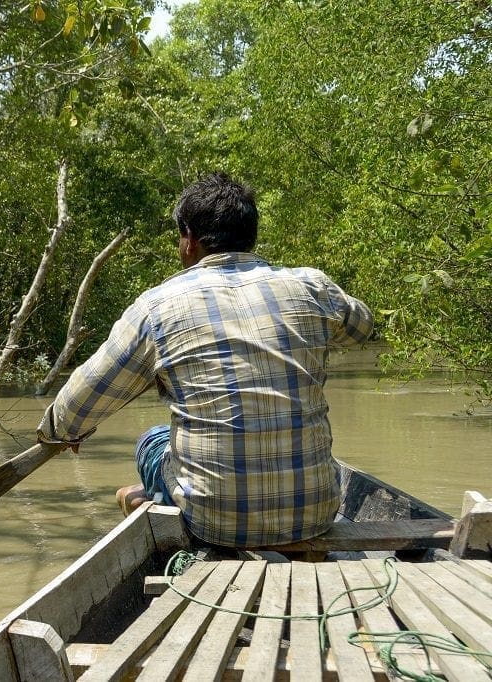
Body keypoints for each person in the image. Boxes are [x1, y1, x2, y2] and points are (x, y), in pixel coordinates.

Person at [36, 172, 374, 548]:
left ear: (189, 240)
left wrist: (58, 433)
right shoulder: (311, 286)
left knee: (152, 440)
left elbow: (81, 401)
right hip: (315, 514)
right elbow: (362, 328)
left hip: (216, 525)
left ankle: (147, 503)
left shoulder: (157, 307)